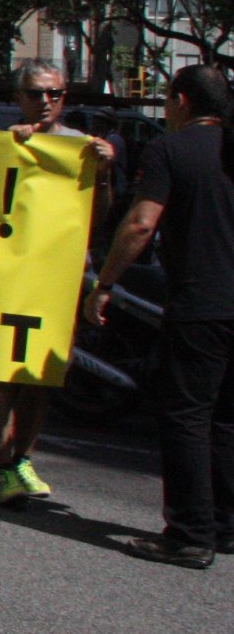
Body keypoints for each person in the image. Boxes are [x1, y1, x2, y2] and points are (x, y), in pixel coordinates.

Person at [93, 64, 234, 567]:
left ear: (180, 102)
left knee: (186, 417)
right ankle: (223, 523)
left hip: (201, 303)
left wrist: (106, 282)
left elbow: (141, 224)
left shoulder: (170, 150)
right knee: (225, 419)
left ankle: (189, 533)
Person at [0, 62, 114, 503]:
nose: (46, 102)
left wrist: (105, 174)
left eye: (54, 94)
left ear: (65, 97)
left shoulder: (81, 147)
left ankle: (22, 460)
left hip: (60, 276)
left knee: (43, 374)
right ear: (18, 98)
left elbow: (99, 216)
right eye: (36, 94)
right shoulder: (2, 144)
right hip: (9, 276)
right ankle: (3, 466)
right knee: (3, 377)